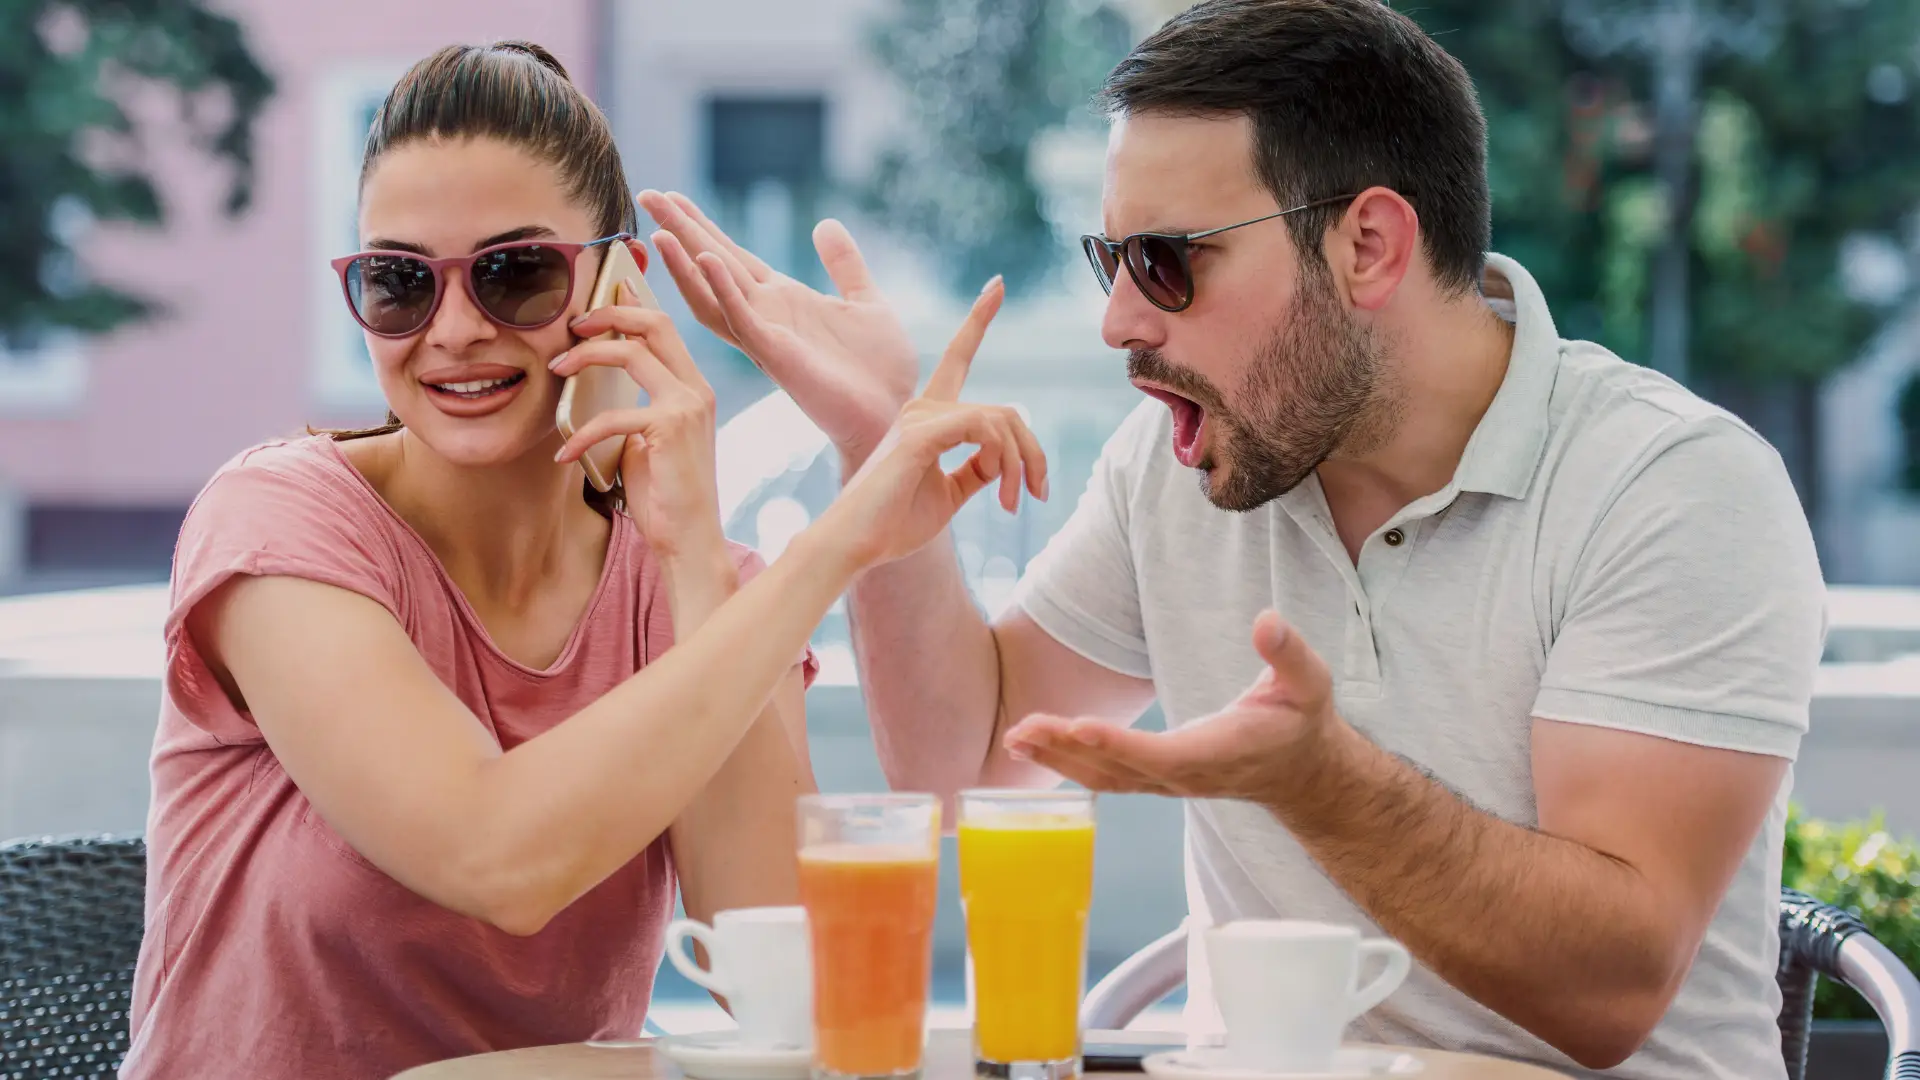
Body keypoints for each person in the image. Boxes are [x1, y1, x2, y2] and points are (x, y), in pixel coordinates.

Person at [638, 2, 1828, 1077]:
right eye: (1111, 260)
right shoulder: (1180, 467)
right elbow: (969, 764)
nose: (1118, 321)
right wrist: (873, 440)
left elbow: (1609, 993)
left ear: (1369, 246)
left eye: (1167, 262)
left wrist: (1323, 785)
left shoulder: (1671, 488)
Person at [124, 41, 1043, 1080]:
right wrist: (840, 543)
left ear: (616, 285)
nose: (452, 331)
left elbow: (780, 977)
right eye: (399, 281)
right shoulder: (280, 523)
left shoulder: (700, 582)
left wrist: (694, 558)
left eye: (515, 274)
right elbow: (496, 857)